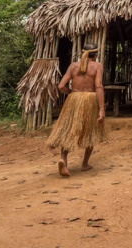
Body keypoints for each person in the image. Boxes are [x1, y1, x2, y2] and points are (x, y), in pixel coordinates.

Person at [46, 44, 107, 177]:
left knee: (68, 130)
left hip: (73, 99)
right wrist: (101, 109)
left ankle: (64, 159)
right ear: (95, 55)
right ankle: (84, 164)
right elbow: (98, 85)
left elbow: (61, 86)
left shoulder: (73, 66)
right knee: (91, 131)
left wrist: (72, 93)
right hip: (90, 99)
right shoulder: (97, 66)